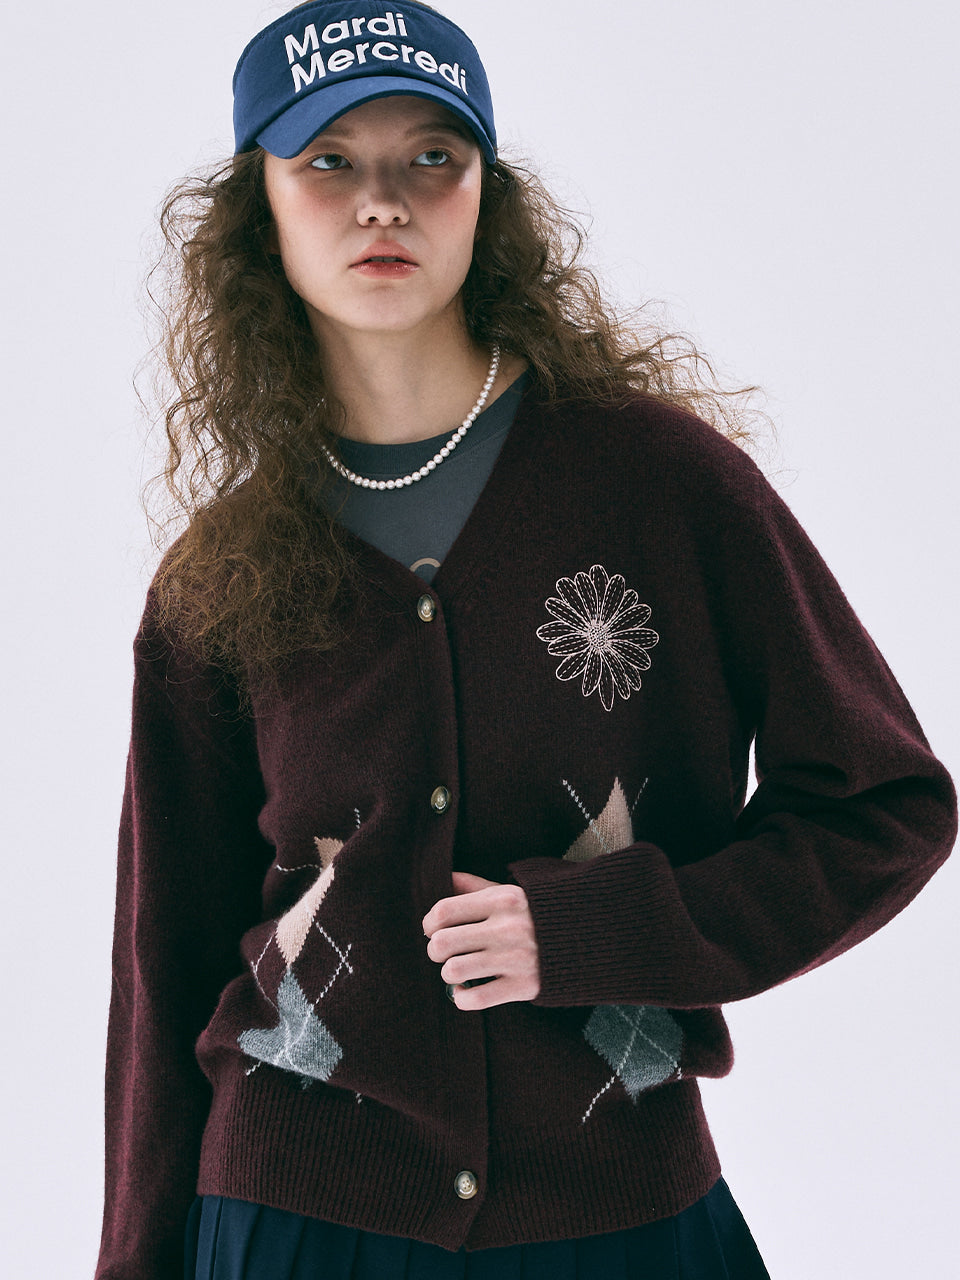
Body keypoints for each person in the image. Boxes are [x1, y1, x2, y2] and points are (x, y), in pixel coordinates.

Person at [94, 3, 957, 1277]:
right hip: (291, 1215)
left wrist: (607, 930)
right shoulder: (221, 571)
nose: (381, 201)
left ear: (489, 199)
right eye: (327, 160)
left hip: (619, 1211)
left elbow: (881, 804)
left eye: (430, 157)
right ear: (257, 210)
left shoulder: (663, 485)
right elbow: (163, 962)